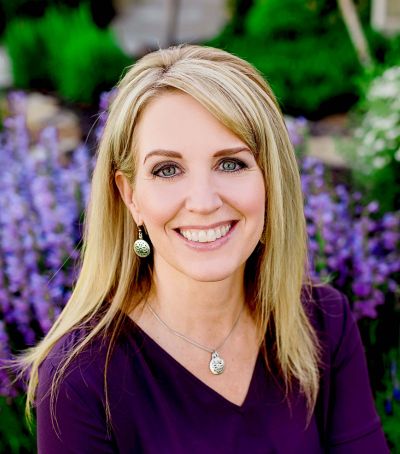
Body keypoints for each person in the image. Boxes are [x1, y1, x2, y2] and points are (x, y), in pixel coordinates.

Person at [21, 44, 388, 453]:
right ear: (130, 197)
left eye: (230, 164)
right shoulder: (81, 380)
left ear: (271, 181)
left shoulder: (323, 323)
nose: (203, 201)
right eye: (167, 169)